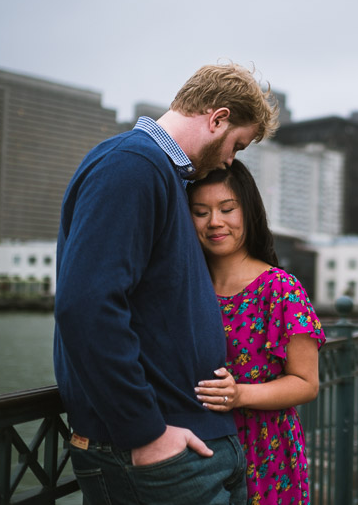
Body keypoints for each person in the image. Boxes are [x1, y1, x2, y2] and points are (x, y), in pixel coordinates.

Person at [54, 62, 278, 504]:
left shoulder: (162, 175)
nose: (231, 160)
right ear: (217, 119)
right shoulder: (131, 166)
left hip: (192, 446)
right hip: (154, 455)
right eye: (237, 145)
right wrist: (146, 433)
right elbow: (86, 305)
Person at [188, 160, 325, 505]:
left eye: (227, 209)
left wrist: (240, 395)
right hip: (196, 448)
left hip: (265, 450)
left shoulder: (281, 289)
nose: (214, 222)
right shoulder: (185, 286)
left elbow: (306, 383)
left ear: (248, 211)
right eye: (200, 212)